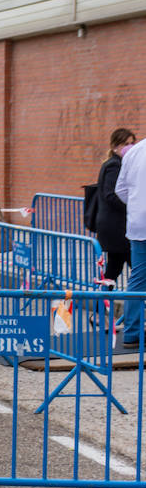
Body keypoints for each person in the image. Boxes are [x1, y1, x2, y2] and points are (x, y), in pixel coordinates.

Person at [94, 129, 136, 291]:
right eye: (126, 144)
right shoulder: (114, 166)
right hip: (117, 229)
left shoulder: (116, 164)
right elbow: (112, 195)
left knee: (113, 270)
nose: (129, 147)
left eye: (132, 143)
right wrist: (133, 205)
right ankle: (134, 310)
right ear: (115, 146)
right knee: (139, 270)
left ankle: (98, 309)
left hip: (117, 229)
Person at [115, 133, 146, 348]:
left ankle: (132, 332)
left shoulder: (134, 152)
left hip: (139, 225)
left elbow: (121, 190)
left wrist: (137, 206)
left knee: (137, 279)